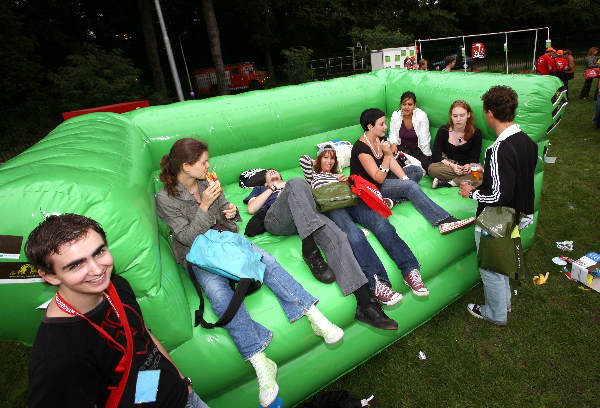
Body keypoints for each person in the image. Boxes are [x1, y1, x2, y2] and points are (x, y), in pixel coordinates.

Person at [155, 138, 344, 407]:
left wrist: (229, 213)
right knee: (218, 294)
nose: (208, 165)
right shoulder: (165, 197)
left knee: (266, 260)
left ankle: (313, 314)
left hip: (224, 240)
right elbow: (185, 236)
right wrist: (206, 207)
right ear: (185, 166)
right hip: (197, 253)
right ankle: (260, 361)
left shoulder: (207, 181)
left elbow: (227, 213)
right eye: (203, 162)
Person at [25, 213, 210, 408]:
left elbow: (144, 337)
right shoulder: (57, 355)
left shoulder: (116, 286)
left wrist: (184, 384)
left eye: (99, 252)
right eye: (77, 264)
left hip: (185, 398)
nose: (97, 270)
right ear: (50, 276)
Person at [244, 169, 399, 331]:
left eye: (275, 171)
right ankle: (309, 250)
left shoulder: (297, 185)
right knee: (296, 182)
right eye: (269, 173)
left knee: (338, 236)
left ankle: (366, 305)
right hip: (278, 219)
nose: (273, 172)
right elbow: (252, 208)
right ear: (264, 181)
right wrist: (273, 188)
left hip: (304, 217)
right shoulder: (261, 189)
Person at [300, 147, 428, 299]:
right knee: (353, 234)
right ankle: (378, 283)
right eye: (326, 158)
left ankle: (410, 270)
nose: (329, 161)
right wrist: (322, 159)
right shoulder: (313, 175)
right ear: (320, 159)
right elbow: (303, 159)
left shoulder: (338, 175)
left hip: (351, 201)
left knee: (381, 224)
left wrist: (342, 180)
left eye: (332, 158)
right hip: (332, 207)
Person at [459, 86, 537, 326]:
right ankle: (503, 304)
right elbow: (517, 178)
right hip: (519, 213)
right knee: (502, 261)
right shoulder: (527, 142)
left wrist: (471, 193)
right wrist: (489, 174)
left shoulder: (498, 148)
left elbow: (500, 194)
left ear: (490, 113)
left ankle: (495, 313)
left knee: (491, 267)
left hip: (497, 218)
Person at [353, 108, 476, 235]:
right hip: (371, 186)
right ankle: (443, 221)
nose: (385, 127)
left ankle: (393, 199)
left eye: (385, 123)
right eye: (381, 124)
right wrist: (388, 155)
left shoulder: (380, 138)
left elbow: (392, 162)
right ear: (370, 126)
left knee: (416, 171)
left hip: (384, 177)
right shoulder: (361, 148)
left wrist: (404, 179)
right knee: (411, 186)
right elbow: (378, 178)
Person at [428, 100, 483, 189]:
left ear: (468, 115)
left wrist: (468, 166)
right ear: (451, 116)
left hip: (465, 169)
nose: (458, 119)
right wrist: (453, 166)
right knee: (432, 169)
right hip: (448, 166)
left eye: (462, 115)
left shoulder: (476, 133)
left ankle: (449, 183)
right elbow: (436, 155)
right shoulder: (443, 130)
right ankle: (462, 181)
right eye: (455, 116)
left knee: (479, 175)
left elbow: (474, 157)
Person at [388, 91, 433, 171]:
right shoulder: (395, 115)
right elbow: (393, 133)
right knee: (391, 164)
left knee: (427, 167)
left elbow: (425, 139)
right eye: (404, 104)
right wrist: (394, 144)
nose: (406, 107)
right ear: (400, 105)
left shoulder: (421, 116)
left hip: (416, 151)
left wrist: (426, 157)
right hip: (401, 149)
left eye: (410, 104)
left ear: (415, 105)